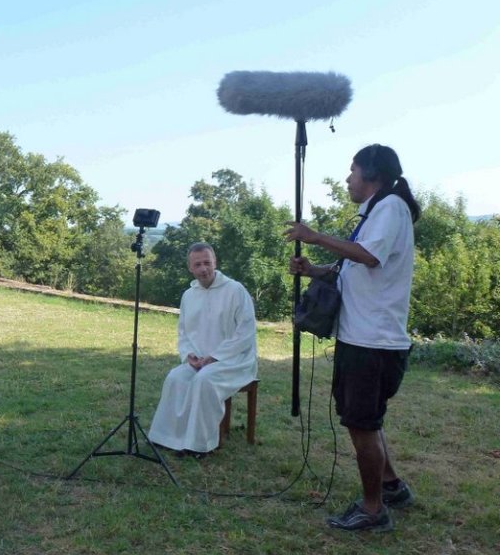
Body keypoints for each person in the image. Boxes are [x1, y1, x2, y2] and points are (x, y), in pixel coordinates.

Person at [284, 143, 420, 532]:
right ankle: (391, 486)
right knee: (367, 421)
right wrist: (314, 271)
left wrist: (315, 236)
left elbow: (369, 256)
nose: (348, 179)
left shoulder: (390, 207)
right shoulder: (379, 210)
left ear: (371, 175)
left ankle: (373, 510)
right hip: (366, 338)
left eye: (352, 171)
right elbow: (355, 267)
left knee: (362, 424)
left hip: (372, 342)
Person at [148, 243, 258, 456]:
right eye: (198, 264)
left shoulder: (235, 290)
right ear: (190, 267)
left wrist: (215, 357)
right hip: (199, 360)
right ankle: (168, 437)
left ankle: (199, 445)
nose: (203, 269)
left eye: (207, 263)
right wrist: (189, 355)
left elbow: (245, 333)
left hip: (235, 360)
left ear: (215, 263)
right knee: (175, 378)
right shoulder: (189, 295)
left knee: (204, 380)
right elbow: (184, 332)